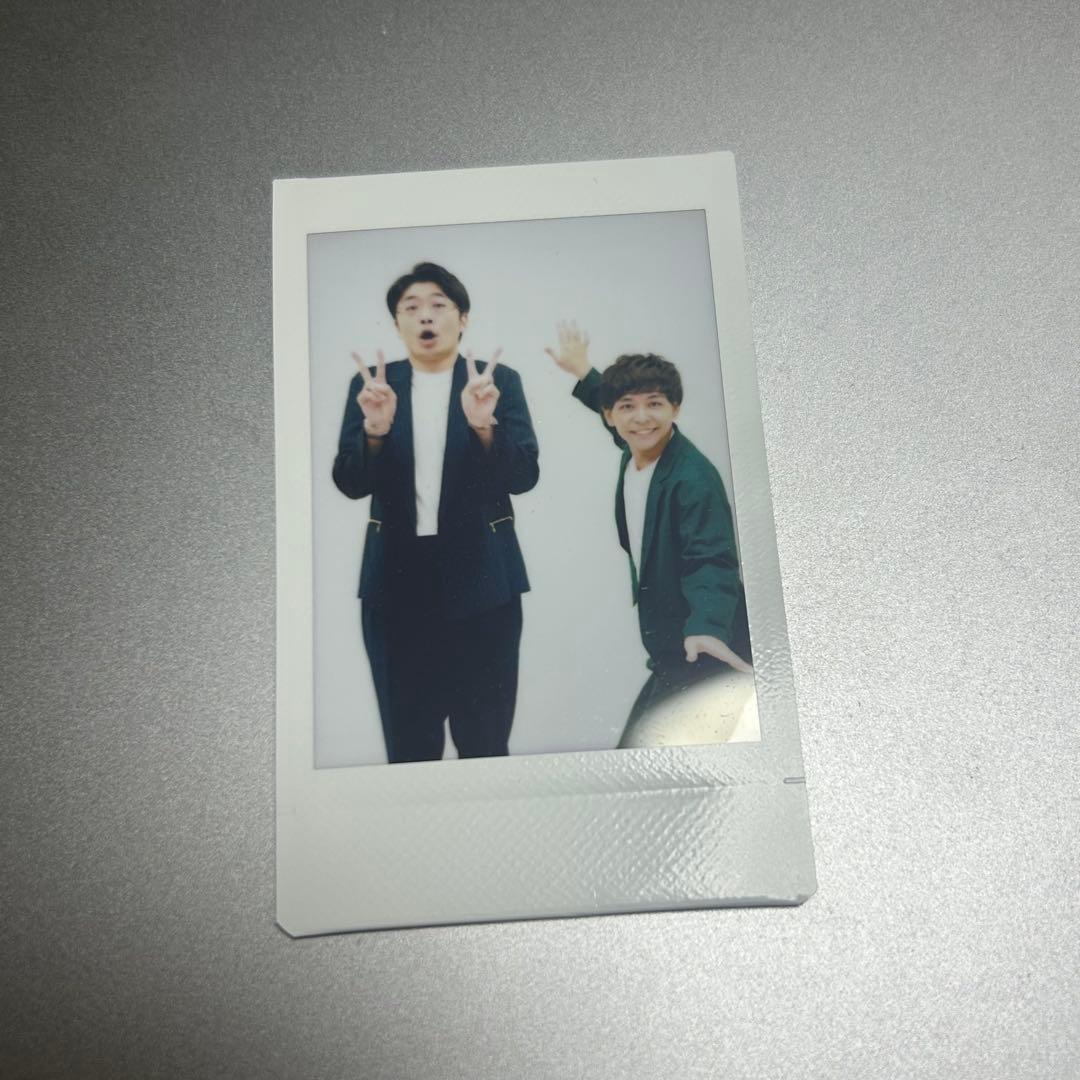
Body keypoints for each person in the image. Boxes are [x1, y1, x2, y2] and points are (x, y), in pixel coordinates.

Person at [333, 262, 539, 763]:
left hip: (483, 585)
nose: (425, 316)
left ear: (462, 319)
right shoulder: (375, 387)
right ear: (397, 323)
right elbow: (351, 483)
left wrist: (484, 425)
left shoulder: (496, 381)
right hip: (397, 588)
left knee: (485, 744)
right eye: (411, 307)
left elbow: (523, 477)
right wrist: (375, 431)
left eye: (438, 305)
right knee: (409, 750)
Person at [545, 321, 753, 747]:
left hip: (707, 649)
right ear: (611, 415)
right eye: (627, 407)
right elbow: (620, 415)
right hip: (672, 648)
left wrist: (708, 627)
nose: (641, 418)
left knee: (644, 756)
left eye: (655, 404)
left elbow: (711, 560)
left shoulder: (693, 479)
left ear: (675, 408)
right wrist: (584, 371)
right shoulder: (638, 447)